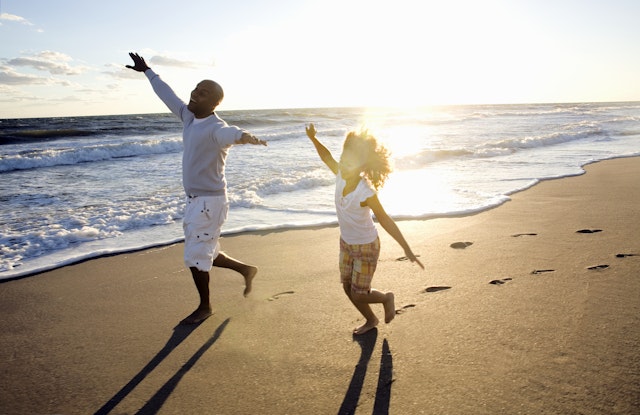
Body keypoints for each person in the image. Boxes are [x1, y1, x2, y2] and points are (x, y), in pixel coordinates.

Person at [126, 52, 267, 325]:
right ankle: (246, 270)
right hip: (196, 201)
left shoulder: (216, 127)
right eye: (195, 89)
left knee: (195, 256)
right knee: (207, 252)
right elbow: (167, 94)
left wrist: (244, 137)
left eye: (202, 94)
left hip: (209, 203)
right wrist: (148, 71)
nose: (194, 94)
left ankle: (205, 306)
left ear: (213, 103)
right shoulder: (189, 118)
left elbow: (230, 133)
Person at [305, 123, 424, 335]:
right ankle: (371, 319)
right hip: (346, 243)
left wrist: (406, 248)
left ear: (362, 166)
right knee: (346, 286)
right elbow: (326, 157)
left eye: (351, 161)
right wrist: (313, 138)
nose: (343, 163)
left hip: (366, 246)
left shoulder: (365, 192)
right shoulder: (340, 174)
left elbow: (385, 219)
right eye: (344, 157)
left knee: (359, 293)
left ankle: (386, 298)